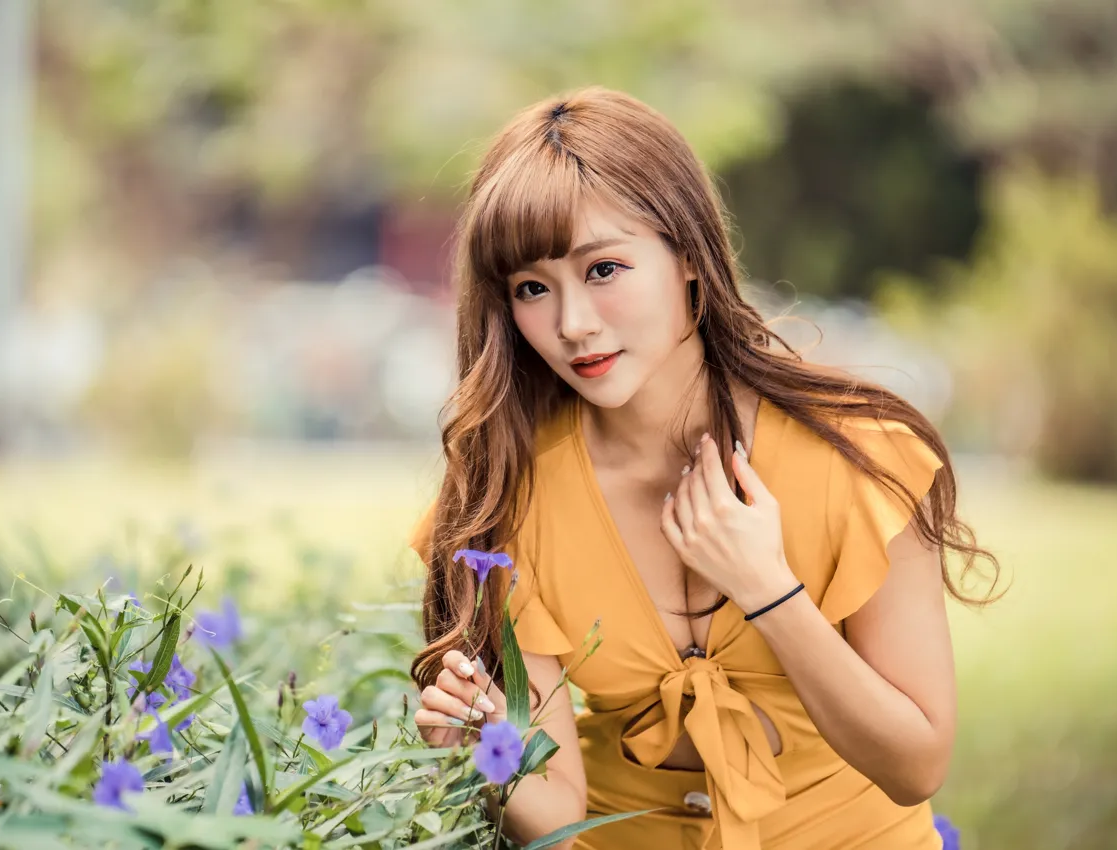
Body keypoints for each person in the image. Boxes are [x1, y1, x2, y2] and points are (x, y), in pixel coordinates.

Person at [407, 87, 1000, 849]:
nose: (572, 324)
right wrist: (485, 753)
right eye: (532, 288)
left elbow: (916, 766)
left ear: (688, 255)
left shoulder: (858, 456)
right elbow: (555, 813)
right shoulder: (510, 497)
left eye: (604, 269)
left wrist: (767, 589)